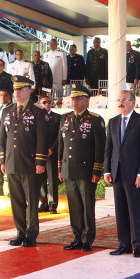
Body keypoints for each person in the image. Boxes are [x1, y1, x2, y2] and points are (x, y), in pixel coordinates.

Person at [0, 77, 51, 246]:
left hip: (29, 163)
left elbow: (42, 139)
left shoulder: (38, 111)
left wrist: (40, 162)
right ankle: (20, 232)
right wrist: (2, 160)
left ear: (29, 91)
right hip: (12, 162)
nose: (17, 92)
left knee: (32, 201)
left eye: (21, 89)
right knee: (16, 201)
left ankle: (31, 233)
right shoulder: (7, 110)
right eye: (15, 89)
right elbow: (3, 138)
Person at [104, 89, 140, 257]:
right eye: (119, 100)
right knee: (120, 210)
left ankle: (138, 245)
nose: (121, 103)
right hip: (116, 173)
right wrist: (107, 170)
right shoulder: (113, 122)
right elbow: (108, 149)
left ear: (133, 102)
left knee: (134, 210)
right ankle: (123, 244)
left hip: (134, 175)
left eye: (124, 100)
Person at [56, 84, 105, 251]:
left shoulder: (95, 119)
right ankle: (76, 237)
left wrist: (97, 170)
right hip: (69, 169)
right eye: (73, 99)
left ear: (86, 100)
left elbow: (99, 147)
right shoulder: (65, 118)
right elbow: (61, 145)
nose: (74, 102)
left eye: (78, 99)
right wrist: (60, 168)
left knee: (87, 206)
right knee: (74, 206)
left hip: (86, 170)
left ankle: (87, 238)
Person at [35, 92, 60, 213]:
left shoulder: (57, 117)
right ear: (39, 104)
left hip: (52, 154)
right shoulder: (36, 117)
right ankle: (43, 203)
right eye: (44, 102)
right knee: (40, 180)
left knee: (52, 180)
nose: (47, 104)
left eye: (49, 102)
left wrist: (51, 149)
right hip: (39, 154)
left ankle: (52, 205)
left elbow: (59, 137)